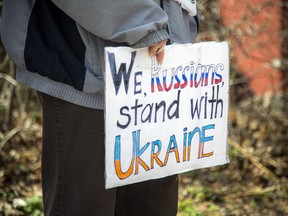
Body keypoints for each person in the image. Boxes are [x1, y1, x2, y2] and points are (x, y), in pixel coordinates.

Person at [1, 0, 199, 215]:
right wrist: (143, 23)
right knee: (87, 205)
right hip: (83, 72)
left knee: (153, 204)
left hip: (158, 77)